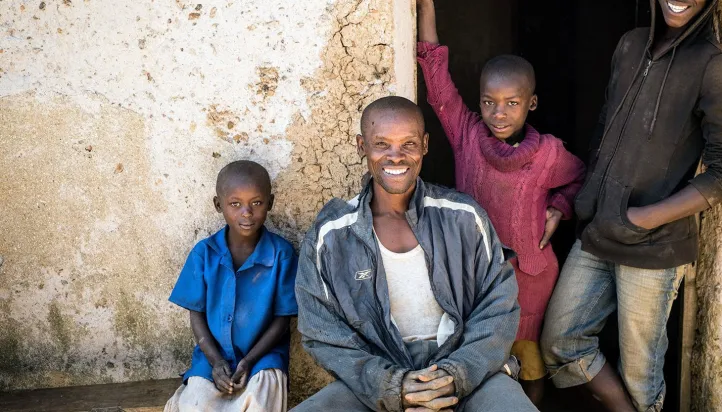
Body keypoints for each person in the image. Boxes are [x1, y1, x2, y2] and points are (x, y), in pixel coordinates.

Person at [540, 1, 722, 411]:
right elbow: (605, 125)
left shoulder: (713, 65)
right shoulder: (630, 45)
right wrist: (584, 200)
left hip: (654, 244)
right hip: (598, 229)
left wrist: (643, 217)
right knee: (559, 341)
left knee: (641, 376)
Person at [292, 96, 538, 412]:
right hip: (374, 383)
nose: (396, 157)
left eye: (408, 144)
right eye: (381, 144)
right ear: (361, 146)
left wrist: (454, 375)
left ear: (424, 145)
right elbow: (322, 330)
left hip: (468, 374)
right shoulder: (332, 235)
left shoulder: (463, 217)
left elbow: (498, 307)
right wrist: (393, 387)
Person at [415, 0, 586, 405]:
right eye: (489, 101)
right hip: (472, 276)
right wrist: (424, 6)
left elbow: (583, 177)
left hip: (529, 278)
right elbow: (437, 80)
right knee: (476, 359)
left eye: (512, 102)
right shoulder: (467, 136)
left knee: (529, 361)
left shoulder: (548, 153)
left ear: (532, 103)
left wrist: (560, 209)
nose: (498, 112)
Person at [164, 160, 298, 412]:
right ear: (218, 205)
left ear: (270, 202)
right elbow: (197, 314)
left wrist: (249, 361)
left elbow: (282, 321)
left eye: (256, 203)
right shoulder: (204, 253)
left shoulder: (282, 255)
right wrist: (215, 362)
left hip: (263, 358)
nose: (246, 212)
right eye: (235, 204)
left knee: (261, 398)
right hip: (212, 358)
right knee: (195, 403)